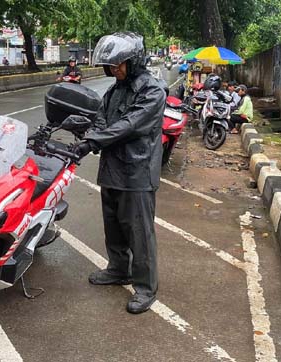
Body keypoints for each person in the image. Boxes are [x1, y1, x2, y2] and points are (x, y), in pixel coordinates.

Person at [71, 32, 165, 314]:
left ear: (134, 60)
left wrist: (92, 142)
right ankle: (118, 269)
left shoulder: (152, 91)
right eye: (111, 65)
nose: (114, 69)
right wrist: (87, 132)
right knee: (113, 226)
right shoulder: (114, 90)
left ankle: (146, 287)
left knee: (139, 232)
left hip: (137, 171)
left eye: (119, 64)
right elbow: (101, 118)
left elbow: (129, 125)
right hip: (112, 169)